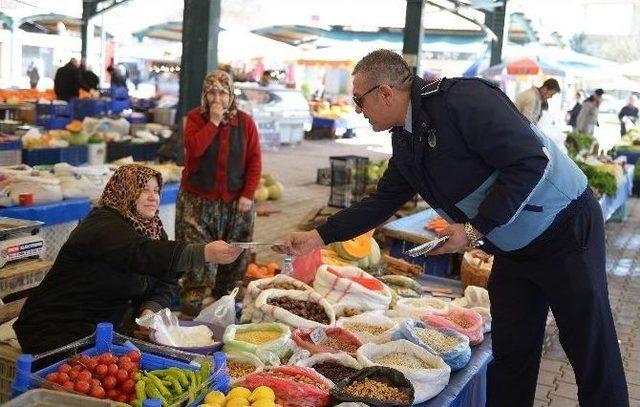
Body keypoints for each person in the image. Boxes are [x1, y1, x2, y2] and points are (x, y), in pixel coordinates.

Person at [275, 50, 628, 407]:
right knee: (512, 353)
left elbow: (530, 162)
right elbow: (383, 201)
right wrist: (318, 236)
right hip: (512, 247)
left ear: (385, 92)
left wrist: (474, 230)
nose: (357, 110)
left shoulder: (465, 100)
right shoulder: (405, 138)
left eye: (358, 99)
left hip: (564, 228)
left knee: (588, 344)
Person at [14, 164, 243, 354]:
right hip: (57, 329)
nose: (153, 197)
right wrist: (204, 253)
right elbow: (142, 254)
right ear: (124, 191)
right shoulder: (102, 226)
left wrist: (149, 312)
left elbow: (165, 281)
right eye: (144, 190)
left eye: (156, 190)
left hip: (107, 328)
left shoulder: (152, 230)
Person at [176, 70, 262, 315]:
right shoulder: (195, 119)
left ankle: (224, 304)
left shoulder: (245, 123)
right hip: (198, 200)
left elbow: (254, 160)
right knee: (199, 254)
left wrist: (248, 193)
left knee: (234, 253)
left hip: (236, 202)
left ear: (231, 95)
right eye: (212, 92)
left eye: (223, 93)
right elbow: (194, 151)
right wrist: (213, 123)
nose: (217, 99)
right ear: (204, 95)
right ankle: (190, 308)